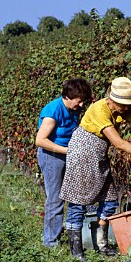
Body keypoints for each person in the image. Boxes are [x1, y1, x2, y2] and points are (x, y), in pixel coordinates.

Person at [60, 77, 131, 261]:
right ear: (112, 100)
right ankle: (76, 252)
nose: (126, 107)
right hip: (83, 152)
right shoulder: (99, 109)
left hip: (99, 155)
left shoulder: (124, 109)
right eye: (123, 103)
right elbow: (118, 142)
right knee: (78, 201)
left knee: (109, 200)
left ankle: (102, 245)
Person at [35, 78, 92, 248]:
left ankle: (70, 235)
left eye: (83, 101)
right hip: (51, 156)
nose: (81, 105)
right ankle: (50, 243)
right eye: (79, 101)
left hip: (67, 154)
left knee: (75, 196)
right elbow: (40, 140)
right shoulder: (53, 111)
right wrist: (68, 151)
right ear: (67, 96)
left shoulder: (73, 109)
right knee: (55, 199)